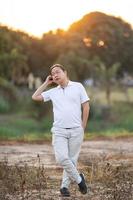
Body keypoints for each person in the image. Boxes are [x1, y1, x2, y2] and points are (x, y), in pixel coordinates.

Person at [32, 64, 90, 197]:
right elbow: (35, 96)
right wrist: (46, 82)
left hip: (76, 130)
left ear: (65, 72)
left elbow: (86, 106)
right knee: (62, 158)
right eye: (53, 74)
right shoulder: (53, 92)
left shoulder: (78, 86)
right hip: (59, 131)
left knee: (72, 159)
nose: (55, 75)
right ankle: (80, 180)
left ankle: (64, 187)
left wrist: (83, 126)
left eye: (58, 72)